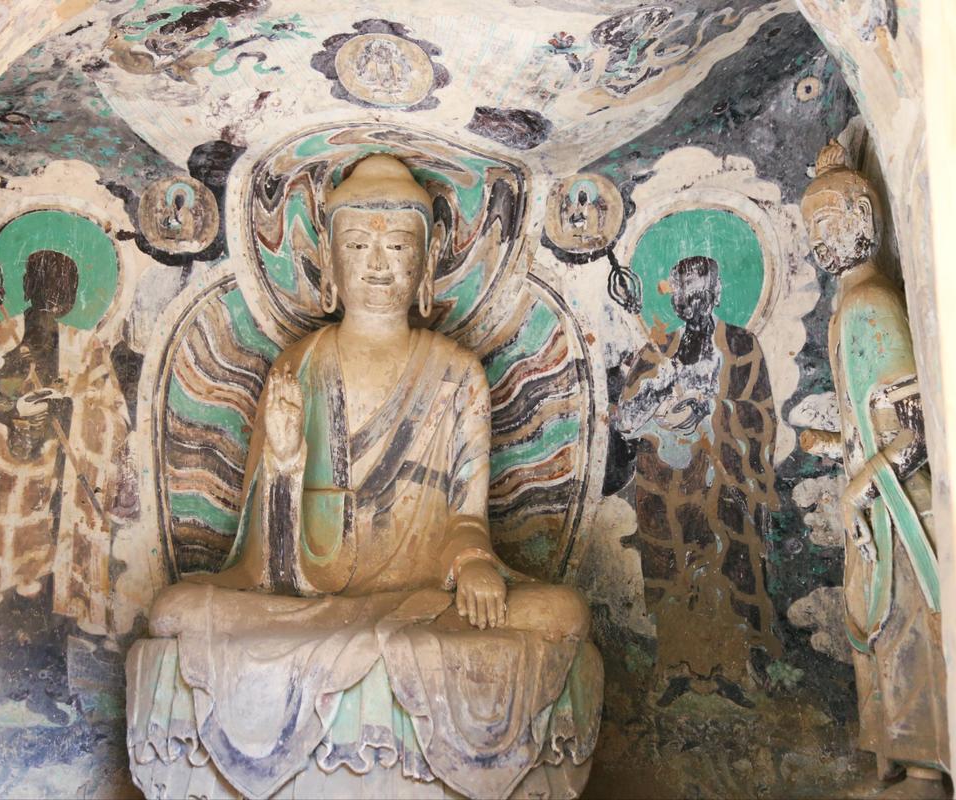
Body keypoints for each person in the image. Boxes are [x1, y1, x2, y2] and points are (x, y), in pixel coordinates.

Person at [132, 156, 601, 800]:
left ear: (426, 265)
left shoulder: (458, 372)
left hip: (427, 599)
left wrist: (473, 563)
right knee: (174, 612)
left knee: (563, 613)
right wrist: (286, 461)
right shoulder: (299, 365)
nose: (379, 265)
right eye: (357, 246)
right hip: (314, 603)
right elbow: (267, 565)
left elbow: (466, 516)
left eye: (399, 246)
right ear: (330, 263)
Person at [801, 141, 947, 797]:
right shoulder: (847, 307)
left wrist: (859, 484)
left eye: (831, 218)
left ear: (865, 217)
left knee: (907, 625)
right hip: (873, 506)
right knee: (874, 626)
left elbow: (915, 425)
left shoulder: (871, 302)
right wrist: (836, 446)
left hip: (901, 506)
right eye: (812, 225)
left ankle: (923, 767)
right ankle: (893, 761)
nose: (822, 237)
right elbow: (872, 427)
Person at [0, 249, 129, 724]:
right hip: (5, 487)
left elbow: (114, 416)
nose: (55, 292)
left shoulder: (88, 347)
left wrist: (69, 407)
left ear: (73, 295)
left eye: (64, 283)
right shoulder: (3, 337)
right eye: (45, 281)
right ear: (28, 288)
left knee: (50, 588)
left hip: (61, 491)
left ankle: (44, 689)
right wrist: (12, 401)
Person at [616, 255, 781, 707]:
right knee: (674, 573)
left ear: (717, 293)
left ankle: (734, 666)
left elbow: (760, 415)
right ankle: (674, 665)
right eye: (684, 293)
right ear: (674, 299)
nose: (693, 302)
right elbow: (625, 421)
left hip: (724, 482)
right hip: (667, 488)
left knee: (729, 565)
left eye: (701, 291)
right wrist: (659, 395)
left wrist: (711, 408)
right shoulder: (657, 350)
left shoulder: (742, 346)